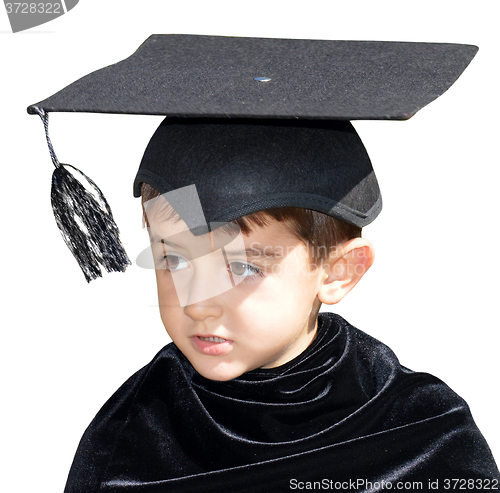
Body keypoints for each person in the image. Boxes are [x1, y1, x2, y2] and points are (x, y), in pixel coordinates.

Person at [27, 35, 499, 492]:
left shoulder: (420, 432)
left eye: (244, 267)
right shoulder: (131, 434)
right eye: (173, 257)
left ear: (339, 271)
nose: (198, 304)